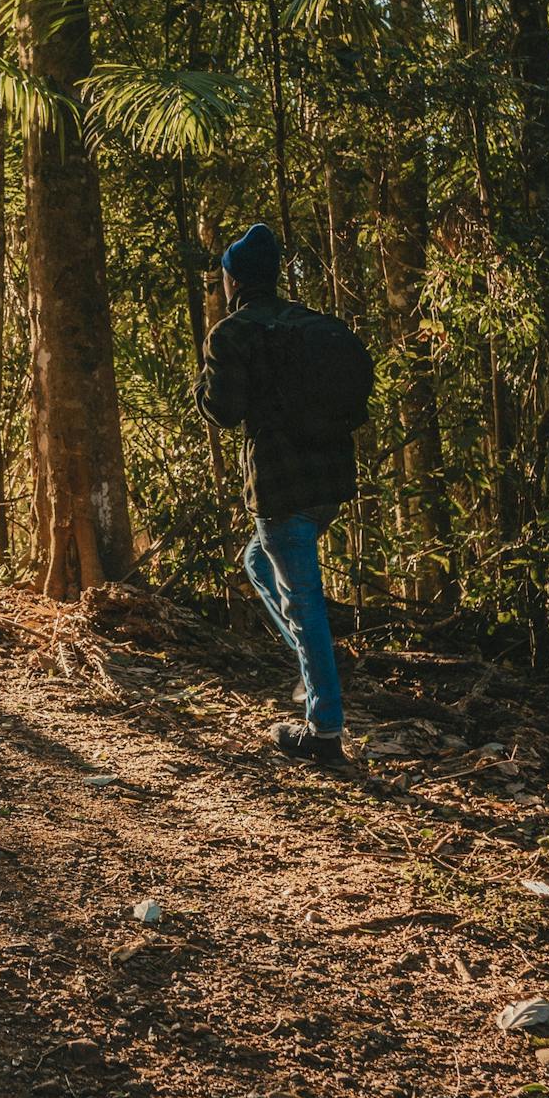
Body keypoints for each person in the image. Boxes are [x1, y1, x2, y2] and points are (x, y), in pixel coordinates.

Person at [195, 223, 372, 764]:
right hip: (330, 484)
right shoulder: (320, 325)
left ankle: (323, 730)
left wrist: (203, 383)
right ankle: (314, 672)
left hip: (279, 485)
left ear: (233, 280)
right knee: (256, 560)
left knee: (302, 601)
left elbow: (224, 410)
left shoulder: (232, 333)